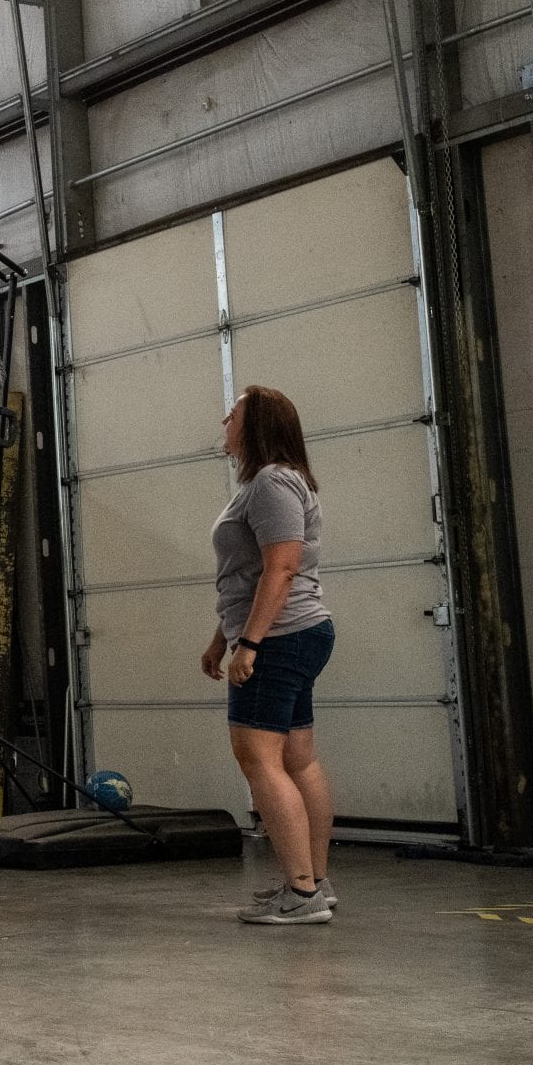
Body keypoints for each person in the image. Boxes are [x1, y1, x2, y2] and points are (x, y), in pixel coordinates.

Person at [201, 385, 337, 925]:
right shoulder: (272, 482)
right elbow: (255, 575)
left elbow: (281, 568)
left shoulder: (271, 483)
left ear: (253, 424)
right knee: (297, 759)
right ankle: (314, 883)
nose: (224, 417)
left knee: (260, 761)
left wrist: (250, 644)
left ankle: (301, 894)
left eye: (232, 412)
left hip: (281, 638)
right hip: (292, 633)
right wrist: (223, 638)